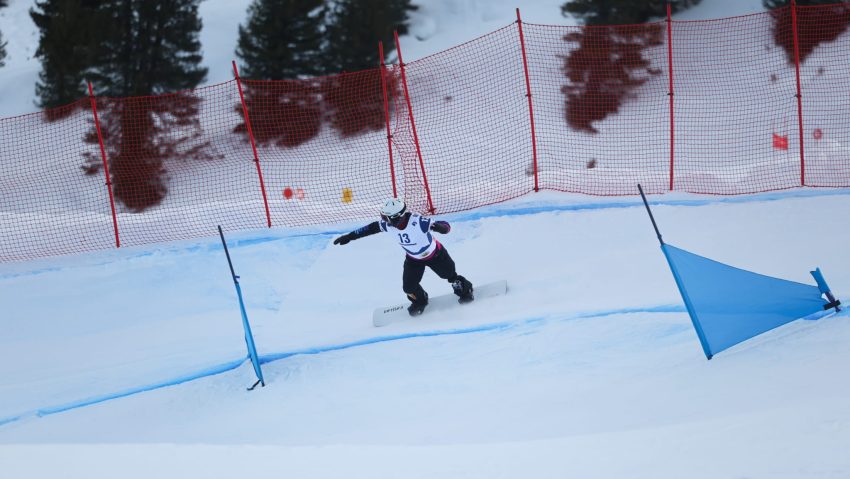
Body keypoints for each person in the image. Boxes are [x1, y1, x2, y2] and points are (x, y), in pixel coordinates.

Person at [333, 198, 474, 316]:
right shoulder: (388, 225)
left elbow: (446, 226)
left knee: (449, 275)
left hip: (435, 255)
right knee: (408, 287)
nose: (383, 219)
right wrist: (349, 237)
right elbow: (370, 228)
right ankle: (420, 300)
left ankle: (465, 290)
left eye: (385, 216)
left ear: (395, 217)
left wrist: (441, 228)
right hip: (413, 259)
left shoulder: (417, 221)